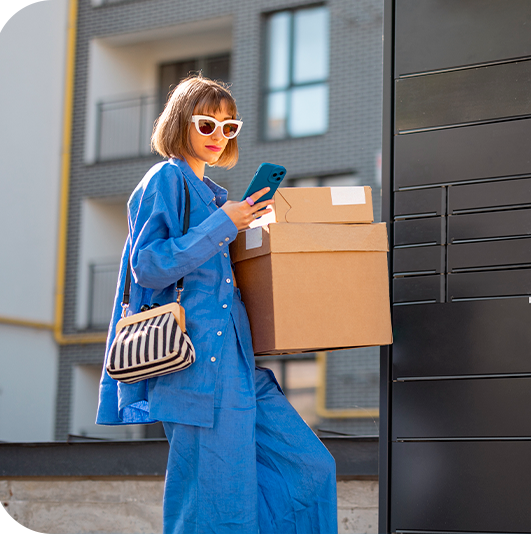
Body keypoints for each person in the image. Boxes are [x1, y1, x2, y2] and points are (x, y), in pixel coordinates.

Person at [96, 75, 337, 533]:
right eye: (207, 124)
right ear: (180, 123)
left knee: (309, 469)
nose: (218, 137)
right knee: (214, 507)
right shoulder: (166, 179)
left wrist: (243, 228)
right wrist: (223, 225)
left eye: (229, 128)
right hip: (196, 371)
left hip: (240, 369)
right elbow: (146, 265)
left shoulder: (216, 199)